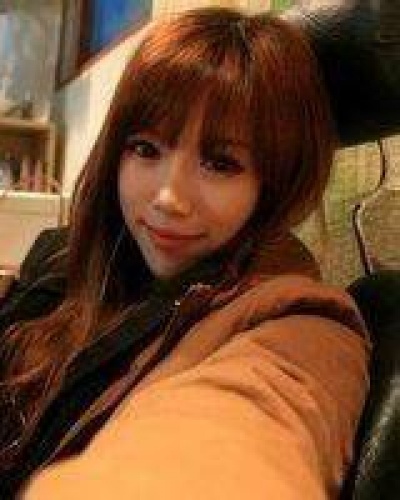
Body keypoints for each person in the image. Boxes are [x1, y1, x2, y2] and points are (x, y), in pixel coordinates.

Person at [0, 7, 370, 499]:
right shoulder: (73, 258)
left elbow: (238, 431)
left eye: (221, 163)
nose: (169, 198)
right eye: (146, 149)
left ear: (275, 183)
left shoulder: (298, 326)